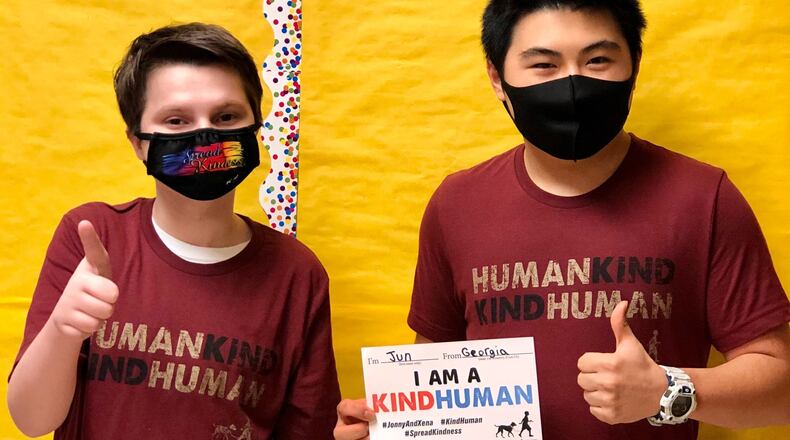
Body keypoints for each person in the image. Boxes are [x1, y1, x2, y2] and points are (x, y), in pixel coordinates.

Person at [334, 1, 790, 439]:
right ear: (497, 78)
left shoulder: (704, 197)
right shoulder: (455, 205)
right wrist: (388, 427)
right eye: (543, 65)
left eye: (597, 60)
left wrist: (667, 390)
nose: (572, 83)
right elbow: (434, 378)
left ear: (634, 65)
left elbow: (781, 388)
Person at [7, 22, 340, 439]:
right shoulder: (91, 237)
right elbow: (30, 420)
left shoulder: (297, 274)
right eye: (177, 120)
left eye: (226, 116)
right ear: (137, 142)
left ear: (257, 126)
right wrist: (63, 330)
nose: (205, 135)